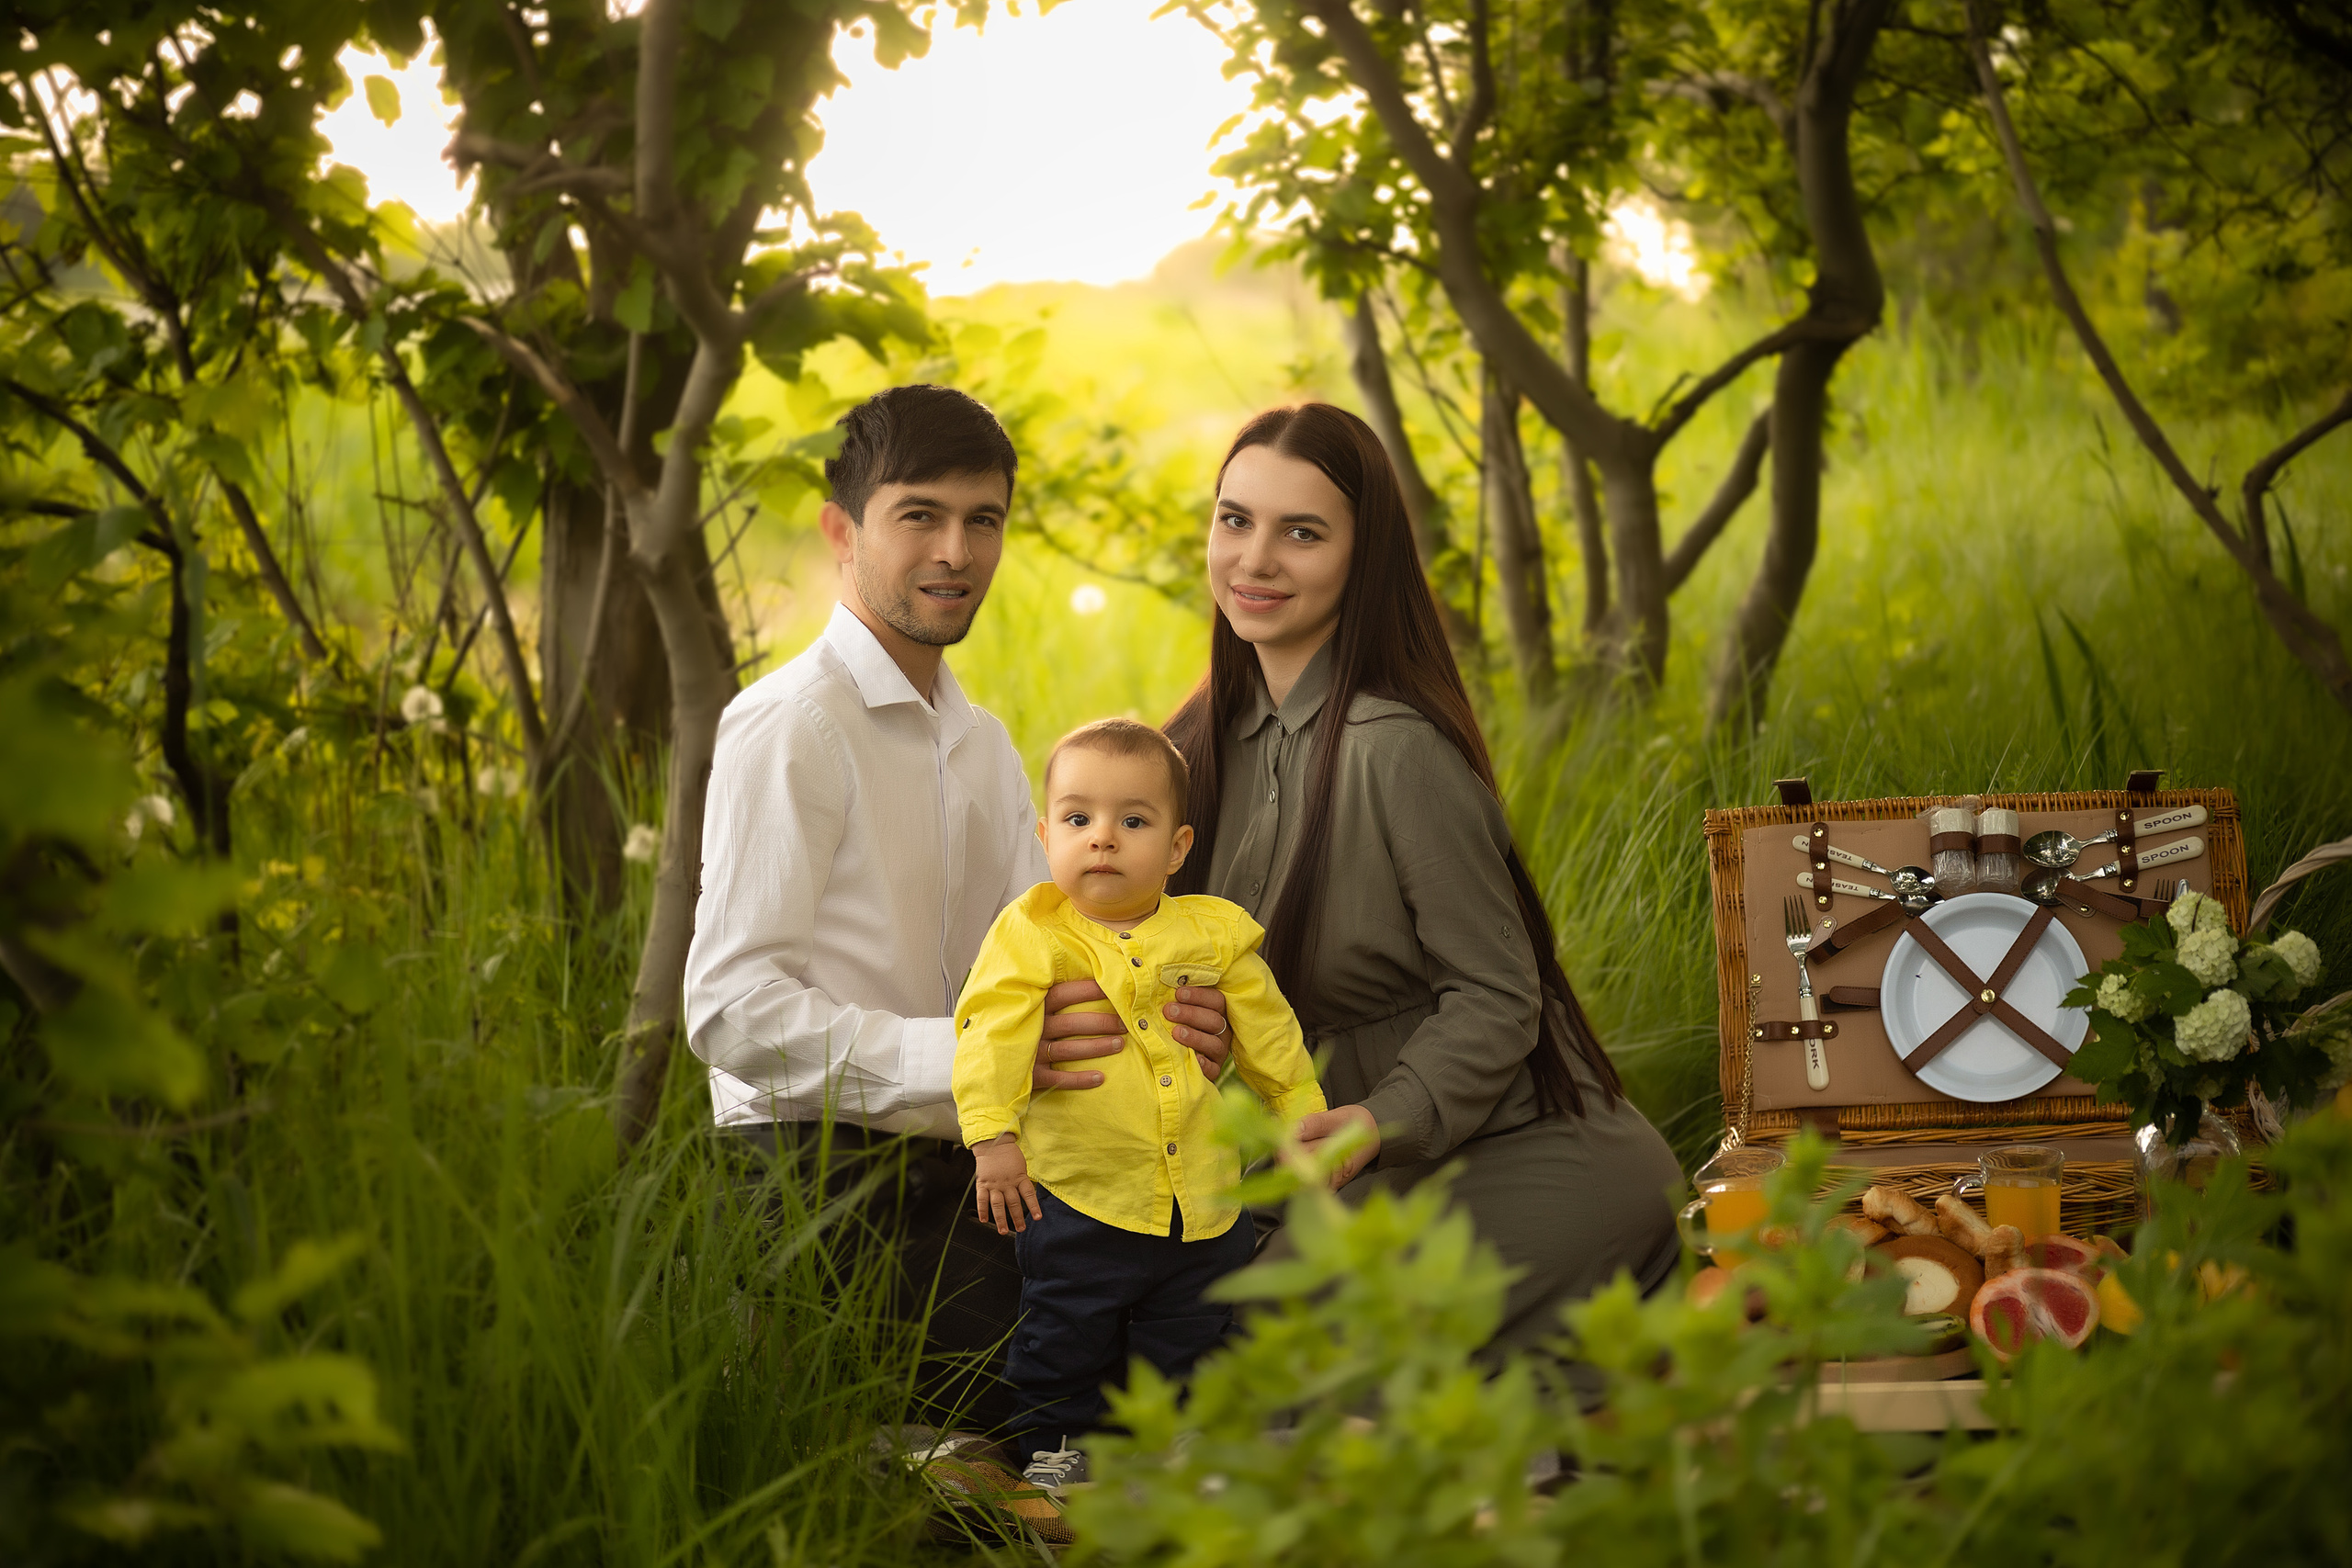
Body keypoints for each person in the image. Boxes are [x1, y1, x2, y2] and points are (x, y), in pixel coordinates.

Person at [682, 385, 1235, 1435]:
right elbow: (730, 1012)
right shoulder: (791, 725)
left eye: (983, 520)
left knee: (1195, 1333)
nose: (955, 552)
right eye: (919, 516)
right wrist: (976, 1060)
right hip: (817, 1171)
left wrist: (1166, 1012)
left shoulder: (977, 743)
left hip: (979, 1165)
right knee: (1049, 1417)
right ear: (841, 531)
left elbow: (1057, 955)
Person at [1163, 402, 1683, 1369]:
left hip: (1508, 1149)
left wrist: (1377, 1118)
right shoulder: (1187, 752)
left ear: (1363, 557)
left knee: (1282, 1375)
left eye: (1302, 532)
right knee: (1165, 1341)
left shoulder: (1393, 750)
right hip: (1324, 1166)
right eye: (1235, 520)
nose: (1255, 559)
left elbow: (1497, 994)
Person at [952, 719, 1324, 1481]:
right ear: (1045, 836)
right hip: (1081, 1192)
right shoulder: (1033, 933)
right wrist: (993, 1139)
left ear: (1178, 847)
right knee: (1065, 1327)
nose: (1102, 838)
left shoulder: (1212, 932)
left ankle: (1180, 1448)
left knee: (1194, 1327)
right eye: (1078, 818)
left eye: (1132, 821)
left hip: (1202, 1196)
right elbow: (990, 1033)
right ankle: (1056, 1452)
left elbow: (1268, 1029)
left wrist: (1301, 1116)